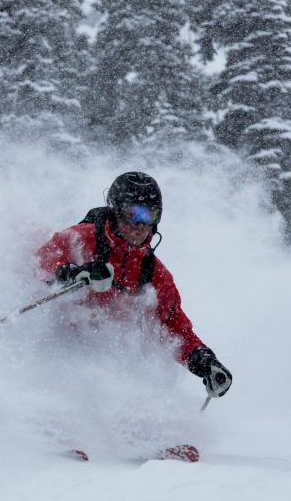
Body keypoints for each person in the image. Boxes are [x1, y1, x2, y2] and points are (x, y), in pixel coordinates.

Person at [36, 171, 232, 401]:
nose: (141, 224)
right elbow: (40, 262)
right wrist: (73, 273)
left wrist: (202, 359)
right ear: (116, 210)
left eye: (150, 215)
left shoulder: (153, 273)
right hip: (50, 348)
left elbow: (171, 324)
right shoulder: (83, 238)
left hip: (99, 366)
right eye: (133, 213)